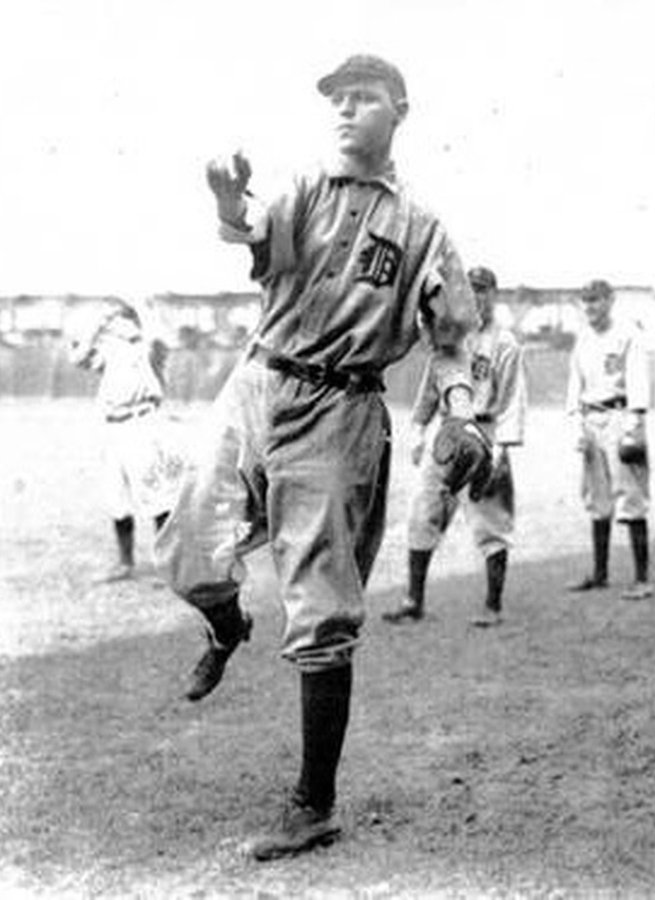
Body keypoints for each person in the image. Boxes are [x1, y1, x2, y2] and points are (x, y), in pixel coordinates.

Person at [156, 53, 490, 861]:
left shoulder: (424, 228)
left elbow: (454, 341)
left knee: (320, 603)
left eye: (363, 97)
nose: (345, 109)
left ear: (399, 111)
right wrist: (225, 195)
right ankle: (226, 623)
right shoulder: (304, 187)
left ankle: (314, 802)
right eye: (336, 97)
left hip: (340, 407)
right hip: (260, 378)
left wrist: (462, 414)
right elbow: (250, 227)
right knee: (189, 542)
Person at [383, 265, 527, 628]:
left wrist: (503, 450)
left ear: (494, 293)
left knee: (490, 521)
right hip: (446, 434)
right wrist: (417, 429)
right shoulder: (452, 335)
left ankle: (493, 606)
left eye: (483, 289)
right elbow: (431, 388)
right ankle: (413, 600)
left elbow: (512, 399)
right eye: (470, 288)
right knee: (423, 512)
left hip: (485, 431)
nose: (476, 295)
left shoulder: (506, 342)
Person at [67, 299, 180, 583]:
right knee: (115, 496)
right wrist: (98, 326)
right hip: (113, 428)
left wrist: (138, 308)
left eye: (120, 319)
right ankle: (125, 563)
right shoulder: (110, 349)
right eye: (114, 321)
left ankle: (170, 565)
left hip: (141, 423)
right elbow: (78, 359)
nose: (115, 323)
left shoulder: (148, 347)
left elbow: (165, 338)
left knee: (156, 496)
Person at [565, 279, 654, 599]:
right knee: (597, 498)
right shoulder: (584, 337)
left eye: (596, 300)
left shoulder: (628, 333)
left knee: (631, 496)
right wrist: (576, 422)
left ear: (610, 301)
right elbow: (575, 383)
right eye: (585, 301)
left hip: (619, 415)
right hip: (590, 418)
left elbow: (638, 380)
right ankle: (600, 573)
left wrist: (634, 425)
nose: (590, 307)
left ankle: (642, 578)